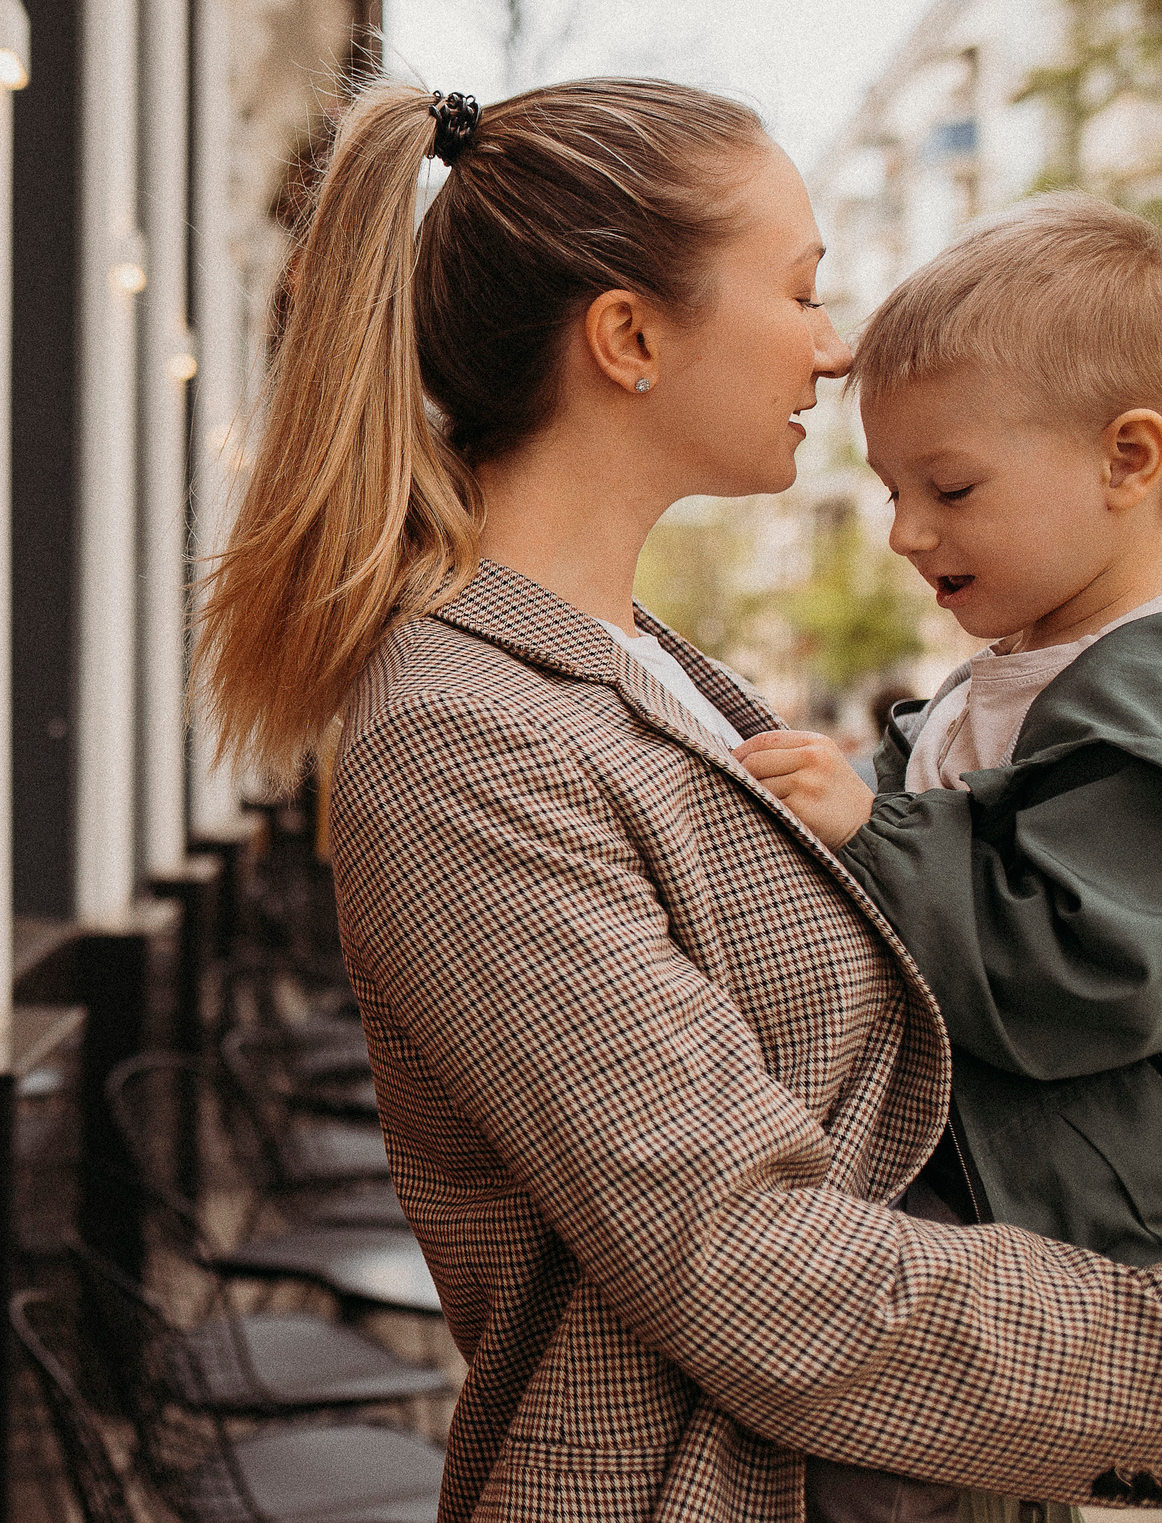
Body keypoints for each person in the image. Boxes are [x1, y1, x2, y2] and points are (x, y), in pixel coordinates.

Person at [193, 81, 1162, 1523]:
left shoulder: (643, 669)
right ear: (630, 338)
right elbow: (745, 1261)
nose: (835, 346)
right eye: (802, 288)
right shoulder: (464, 731)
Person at [735, 195, 1162, 1275]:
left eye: (952, 488)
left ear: (1127, 459)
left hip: (1094, 1256)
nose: (905, 533)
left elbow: (1088, 973)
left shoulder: (1142, 702)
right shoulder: (993, 686)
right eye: (891, 491)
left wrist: (872, 833)